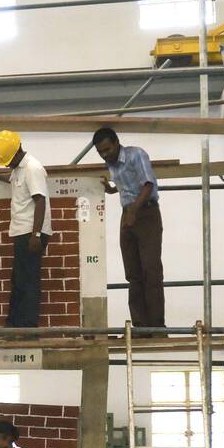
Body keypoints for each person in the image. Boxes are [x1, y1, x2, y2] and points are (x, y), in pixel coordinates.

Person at [92, 127, 164, 330]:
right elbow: (128, 187)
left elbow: (148, 184)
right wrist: (111, 189)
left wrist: (134, 211)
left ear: (116, 143)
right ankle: (140, 327)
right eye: (100, 152)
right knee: (133, 273)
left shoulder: (136, 155)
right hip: (128, 215)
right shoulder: (111, 163)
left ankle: (157, 327)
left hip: (146, 213)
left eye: (107, 150)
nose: (105, 155)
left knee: (151, 270)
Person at [0, 130, 51, 327]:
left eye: (8, 160)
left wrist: (36, 235)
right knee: (19, 280)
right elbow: (17, 181)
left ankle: (27, 328)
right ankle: (15, 324)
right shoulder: (19, 169)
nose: (7, 165)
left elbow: (40, 201)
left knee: (28, 282)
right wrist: (0, 178)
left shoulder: (33, 168)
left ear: (17, 152)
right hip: (22, 231)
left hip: (30, 233)